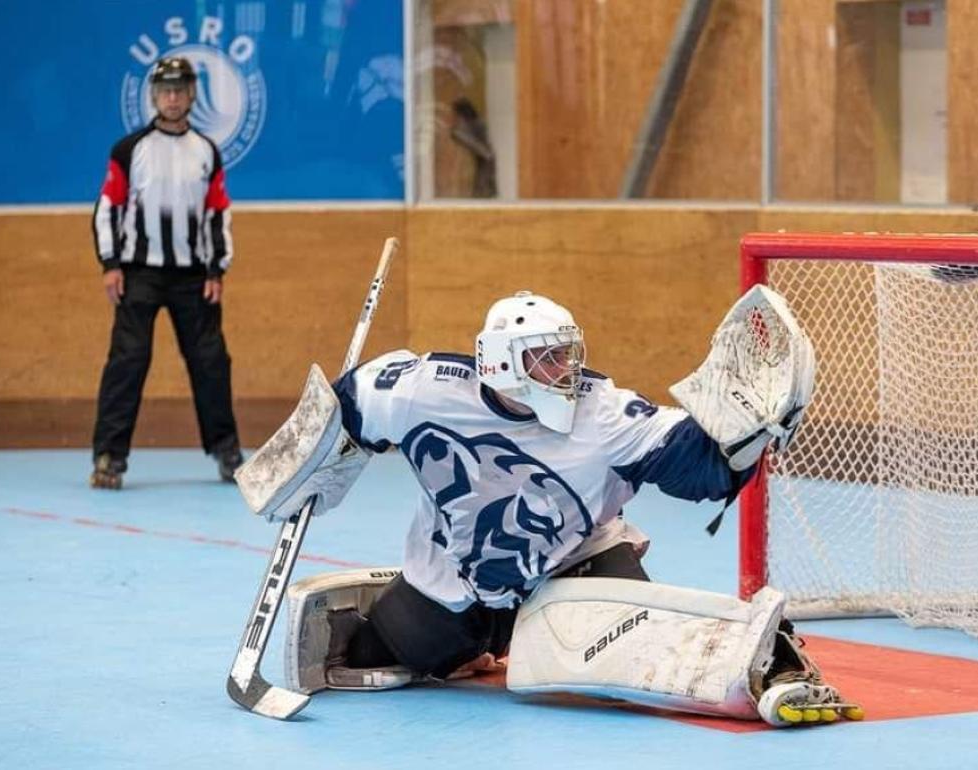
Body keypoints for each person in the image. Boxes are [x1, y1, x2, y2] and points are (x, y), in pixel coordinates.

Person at [254, 289, 861, 727]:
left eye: (568, 353)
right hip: (453, 581)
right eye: (548, 357)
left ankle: (766, 667)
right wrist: (313, 463)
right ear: (500, 362)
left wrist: (744, 440)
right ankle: (465, 643)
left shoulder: (605, 416)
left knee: (630, 655)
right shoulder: (420, 390)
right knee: (382, 656)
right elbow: (346, 405)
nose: (566, 369)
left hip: (576, 567)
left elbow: (695, 467)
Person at [89, 56, 242, 490]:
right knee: (128, 361)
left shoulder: (206, 152)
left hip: (194, 276)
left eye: (180, 89)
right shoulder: (129, 150)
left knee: (211, 361)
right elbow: (107, 211)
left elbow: (218, 215)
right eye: (165, 90)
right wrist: (110, 264)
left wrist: (217, 270)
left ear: (192, 94)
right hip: (138, 273)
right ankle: (109, 457)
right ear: (154, 96)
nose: (172, 97)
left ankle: (227, 451)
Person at [449, 97, 497, 198]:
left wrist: (457, 134)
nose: (452, 118)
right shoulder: (475, 126)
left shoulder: (470, 128)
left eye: (454, 115)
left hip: (480, 182)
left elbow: (486, 154)